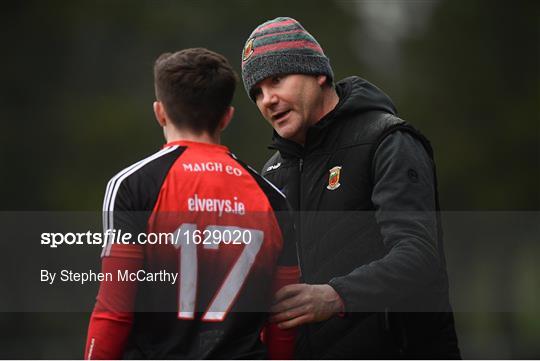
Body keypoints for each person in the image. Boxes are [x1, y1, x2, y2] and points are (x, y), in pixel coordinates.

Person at [241, 17, 460, 359]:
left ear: (318, 74)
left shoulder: (388, 141)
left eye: (277, 80)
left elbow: (418, 256)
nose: (267, 99)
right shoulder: (272, 171)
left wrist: (335, 296)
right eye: (257, 92)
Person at [85, 48, 299, 359]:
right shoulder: (271, 198)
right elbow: (284, 321)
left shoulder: (132, 185)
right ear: (227, 117)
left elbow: (114, 311)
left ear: (160, 112)